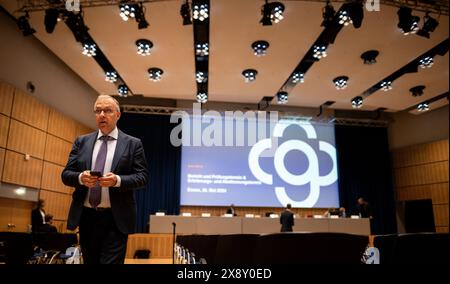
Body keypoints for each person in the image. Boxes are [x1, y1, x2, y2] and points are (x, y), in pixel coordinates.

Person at [62, 95, 149, 264]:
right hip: (86, 217)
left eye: (107, 110)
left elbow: (142, 177)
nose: (102, 114)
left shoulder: (133, 144)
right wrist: (81, 178)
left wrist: (117, 180)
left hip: (116, 219)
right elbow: (66, 174)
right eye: (98, 111)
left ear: (118, 114)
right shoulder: (82, 142)